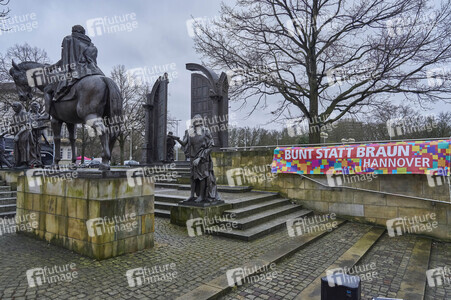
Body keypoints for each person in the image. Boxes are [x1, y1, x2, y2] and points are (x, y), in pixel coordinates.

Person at [41, 25, 104, 120]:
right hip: (93, 71)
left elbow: (65, 59)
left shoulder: (68, 39)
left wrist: (51, 67)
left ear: (74, 31)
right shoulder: (91, 45)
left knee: (47, 89)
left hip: (75, 71)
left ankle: (46, 114)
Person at [173, 115, 220, 203]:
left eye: (200, 121)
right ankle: (191, 196)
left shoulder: (206, 131)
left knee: (202, 176)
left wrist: (200, 158)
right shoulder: (189, 131)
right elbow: (184, 144)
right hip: (192, 157)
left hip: (203, 158)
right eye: (196, 121)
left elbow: (210, 146)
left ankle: (201, 196)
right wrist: (177, 139)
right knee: (193, 177)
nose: (198, 122)